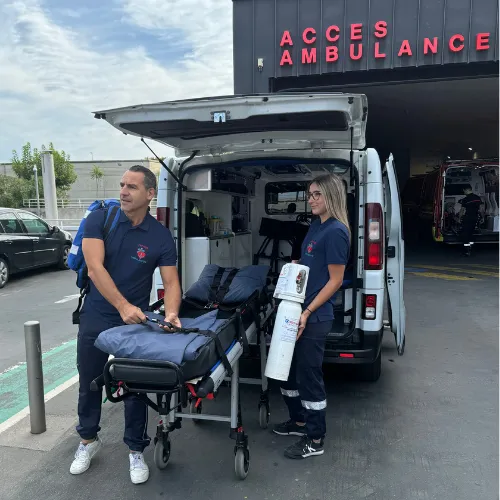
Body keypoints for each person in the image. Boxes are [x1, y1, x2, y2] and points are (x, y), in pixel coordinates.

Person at [70, 165, 182, 484]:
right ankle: (88, 441)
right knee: (89, 380)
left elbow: (172, 282)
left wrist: (172, 312)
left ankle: (135, 449)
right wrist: (122, 306)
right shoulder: (100, 219)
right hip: (98, 314)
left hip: (136, 319)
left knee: (134, 384)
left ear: (150, 194)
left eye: (132, 187)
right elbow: (94, 268)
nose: (123, 191)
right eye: (122, 185)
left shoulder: (160, 235)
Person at [273, 174, 350, 460]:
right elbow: (309, 266)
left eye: (318, 194)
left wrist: (307, 312)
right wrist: (295, 267)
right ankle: (299, 421)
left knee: (309, 376)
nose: (312, 199)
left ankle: (315, 438)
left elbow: (335, 280)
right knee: (288, 371)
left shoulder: (336, 232)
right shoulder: (316, 227)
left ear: (331, 195)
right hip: (298, 310)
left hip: (314, 317)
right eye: (310, 194)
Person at [458, 186, 482, 256]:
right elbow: (481, 209)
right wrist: (482, 218)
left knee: (465, 234)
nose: (464, 193)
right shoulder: (478, 198)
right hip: (475, 218)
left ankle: (467, 251)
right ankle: (471, 247)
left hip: (468, 218)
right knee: (471, 233)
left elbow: (462, 210)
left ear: (465, 190)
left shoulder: (466, 199)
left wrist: (459, 218)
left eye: (464, 191)